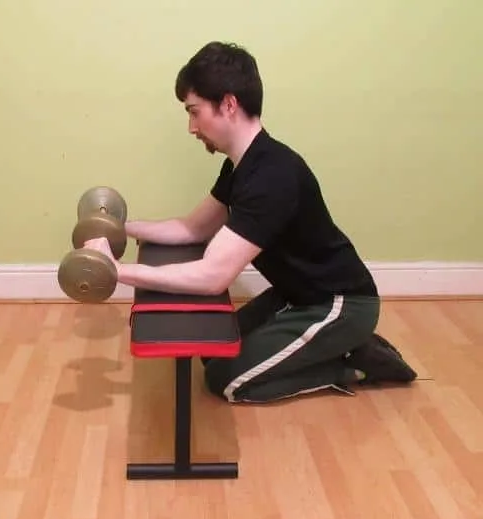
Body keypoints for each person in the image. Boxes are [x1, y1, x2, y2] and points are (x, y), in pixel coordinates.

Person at [82, 41, 416, 403]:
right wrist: (119, 226)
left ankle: (353, 362)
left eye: (194, 112)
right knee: (213, 348)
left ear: (228, 104)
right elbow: (192, 228)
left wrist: (113, 270)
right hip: (296, 295)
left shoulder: (272, 175)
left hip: (340, 304)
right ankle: (331, 346)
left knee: (225, 380)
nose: (191, 127)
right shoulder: (242, 165)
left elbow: (212, 277)